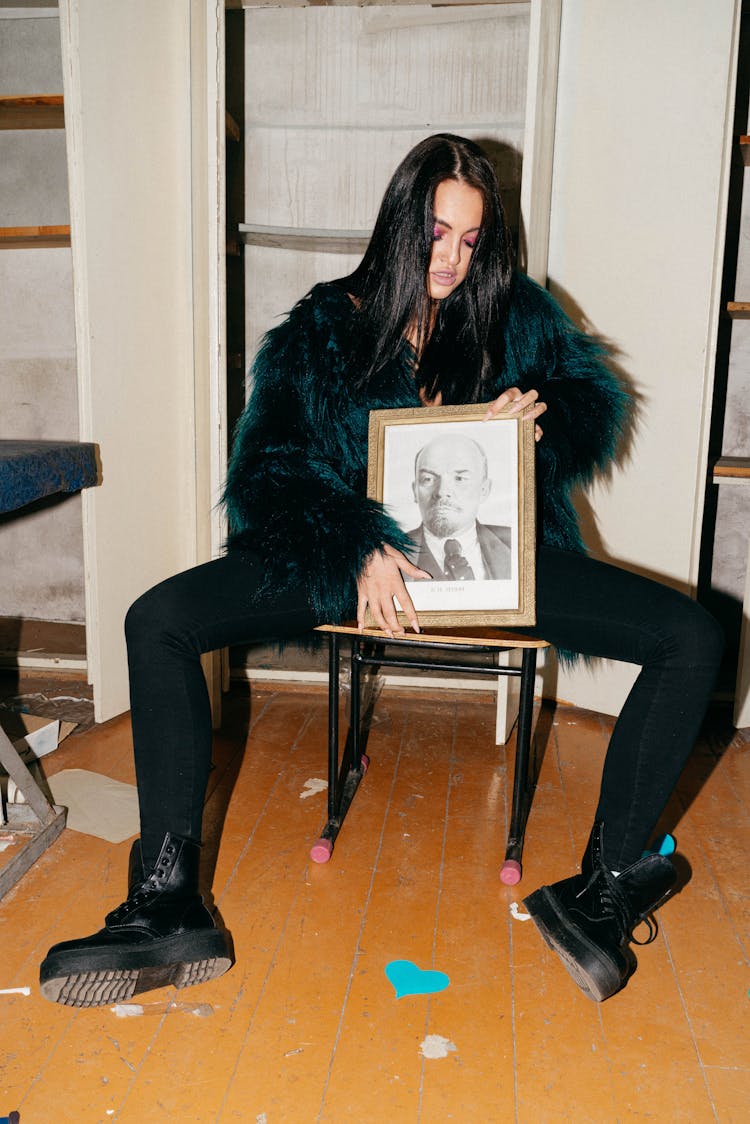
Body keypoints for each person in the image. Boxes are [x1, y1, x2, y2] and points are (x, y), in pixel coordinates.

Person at [39, 134, 723, 1009]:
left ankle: (602, 893)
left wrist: (545, 418)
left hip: (493, 563)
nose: (450, 259)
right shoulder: (324, 325)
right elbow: (267, 472)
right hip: (351, 559)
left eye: (472, 241)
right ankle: (168, 900)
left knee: (691, 636)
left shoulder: (514, 310)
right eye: (437, 232)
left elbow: (590, 398)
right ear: (401, 222)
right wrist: (353, 541)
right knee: (156, 618)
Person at [405, 432, 512, 581]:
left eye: (460, 478)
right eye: (428, 479)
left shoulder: (516, 544)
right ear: (415, 491)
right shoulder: (388, 553)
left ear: (484, 490)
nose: (442, 491)